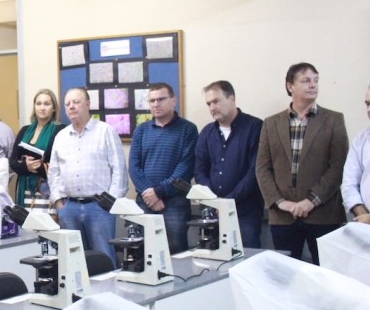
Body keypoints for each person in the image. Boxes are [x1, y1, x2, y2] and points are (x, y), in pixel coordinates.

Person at [257, 63, 348, 263]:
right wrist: (280, 202)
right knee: (286, 274)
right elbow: (262, 168)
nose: (313, 85)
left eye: (316, 80)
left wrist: (311, 201)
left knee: (326, 273)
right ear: (290, 86)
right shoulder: (271, 123)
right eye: (306, 81)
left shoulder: (333, 120)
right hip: (283, 215)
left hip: (323, 214)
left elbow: (338, 167)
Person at [48, 88, 127, 266]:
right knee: (73, 263)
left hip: (99, 208)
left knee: (104, 259)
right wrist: (59, 202)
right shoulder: (61, 136)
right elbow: (53, 172)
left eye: (76, 102)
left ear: (88, 104)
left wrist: (111, 203)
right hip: (69, 208)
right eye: (68, 104)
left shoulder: (105, 131)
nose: (71, 107)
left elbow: (119, 169)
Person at [128, 83, 198, 254]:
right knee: (143, 253)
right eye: (152, 101)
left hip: (175, 203)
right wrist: (150, 194)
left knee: (176, 253)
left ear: (173, 100)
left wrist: (159, 191)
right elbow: (134, 167)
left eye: (161, 99)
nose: (156, 104)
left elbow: (186, 167)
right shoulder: (141, 130)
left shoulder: (188, 129)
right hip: (145, 201)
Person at [194, 81, 264, 248]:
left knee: (247, 257)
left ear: (232, 99)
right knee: (212, 258)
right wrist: (213, 200)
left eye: (216, 101)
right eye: (209, 104)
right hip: (212, 211)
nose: (212, 108)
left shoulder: (255, 127)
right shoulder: (207, 132)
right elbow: (199, 170)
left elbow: (255, 171)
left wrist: (228, 201)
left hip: (245, 211)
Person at [9, 88, 63, 205]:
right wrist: (25, 166)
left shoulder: (60, 130)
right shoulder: (24, 130)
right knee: (25, 217)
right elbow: (13, 161)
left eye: (47, 104)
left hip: (47, 189)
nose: (42, 108)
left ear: (54, 108)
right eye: (38, 104)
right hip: (24, 188)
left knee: (45, 218)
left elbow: (62, 165)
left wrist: (38, 167)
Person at [342, 85, 370, 224]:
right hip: (364, 224)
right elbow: (349, 183)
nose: (369, 109)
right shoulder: (361, 139)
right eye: (367, 104)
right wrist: (364, 216)